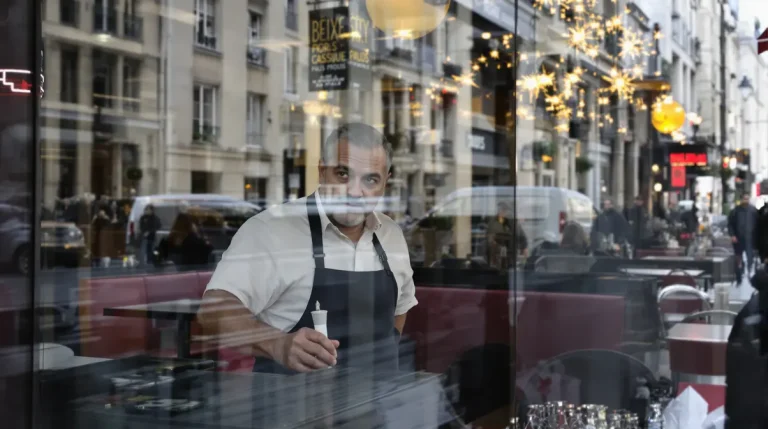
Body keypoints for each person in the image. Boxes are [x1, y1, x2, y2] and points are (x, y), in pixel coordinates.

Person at [199, 123, 418, 374]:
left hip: (381, 397)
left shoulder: (391, 235)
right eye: (343, 174)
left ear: (385, 182)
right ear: (322, 171)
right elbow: (213, 311)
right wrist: (277, 344)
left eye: (371, 179)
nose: (355, 192)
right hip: (294, 398)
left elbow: (399, 312)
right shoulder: (271, 230)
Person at [486, 202, 528, 269]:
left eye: (504, 210)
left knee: (510, 268)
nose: (503, 212)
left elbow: (521, 235)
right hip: (496, 252)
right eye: (501, 209)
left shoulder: (512, 222)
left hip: (510, 253)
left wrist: (524, 247)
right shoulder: (493, 222)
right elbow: (489, 236)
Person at [728, 194, 758, 283]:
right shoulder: (735, 211)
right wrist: (732, 235)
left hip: (750, 239)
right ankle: (739, 276)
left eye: (747, 199)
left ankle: (750, 275)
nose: (746, 201)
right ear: (741, 200)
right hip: (738, 238)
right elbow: (730, 224)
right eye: (744, 199)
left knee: (750, 258)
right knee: (738, 258)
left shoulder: (753, 211)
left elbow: (758, 224)